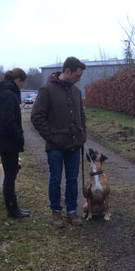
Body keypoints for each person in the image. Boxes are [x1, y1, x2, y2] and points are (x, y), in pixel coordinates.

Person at [31, 57, 87, 227]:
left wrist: (82, 133)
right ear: (67, 71)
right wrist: (51, 137)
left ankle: (71, 212)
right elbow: (36, 117)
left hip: (74, 146)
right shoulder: (47, 90)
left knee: (72, 180)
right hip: (55, 147)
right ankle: (56, 213)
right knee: (55, 180)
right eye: (77, 75)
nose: (79, 79)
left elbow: (81, 116)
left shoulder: (76, 92)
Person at [0, 67, 30, 218]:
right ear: (18, 80)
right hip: (8, 142)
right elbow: (9, 121)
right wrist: (19, 137)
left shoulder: (4, 93)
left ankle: (13, 207)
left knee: (10, 176)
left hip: (5, 141)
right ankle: (12, 210)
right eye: (23, 83)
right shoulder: (9, 95)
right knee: (10, 177)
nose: (23, 86)